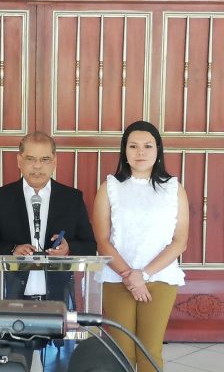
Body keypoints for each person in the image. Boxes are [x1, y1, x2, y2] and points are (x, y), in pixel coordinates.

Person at [0, 131, 96, 371]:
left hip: (58, 299)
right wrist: (12, 249)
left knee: (58, 367)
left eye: (44, 160)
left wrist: (68, 248)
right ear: (19, 160)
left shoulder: (71, 198)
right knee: (14, 365)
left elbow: (90, 245)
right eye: (31, 159)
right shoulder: (1, 198)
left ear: (55, 161)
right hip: (13, 299)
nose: (37, 166)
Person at [93, 120, 189, 372]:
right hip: (117, 278)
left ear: (158, 150)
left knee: (149, 350)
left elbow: (180, 241)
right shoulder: (110, 187)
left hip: (160, 279)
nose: (140, 152)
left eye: (148, 146)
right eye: (133, 146)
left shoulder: (173, 188)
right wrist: (130, 276)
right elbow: (102, 240)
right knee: (121, 350)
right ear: (124, 150)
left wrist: (143, 275)